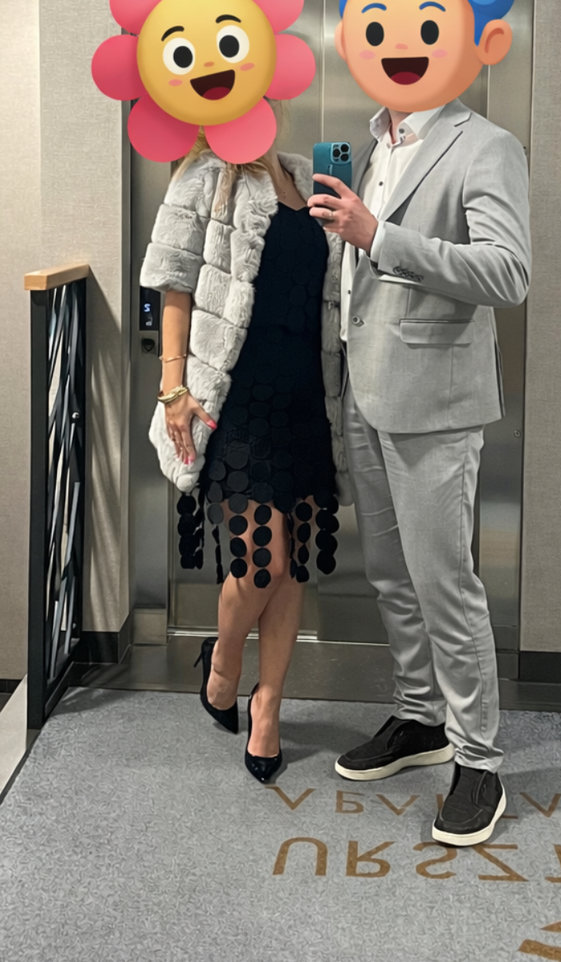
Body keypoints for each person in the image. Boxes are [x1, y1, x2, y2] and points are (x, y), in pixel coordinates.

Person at [309, 0, 531, 846]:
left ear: (474, 39)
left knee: (446, 582)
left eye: (425, 26)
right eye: (380, 25)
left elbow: (508, 273)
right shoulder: (374, 143)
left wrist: (379, 236)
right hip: (363, 390)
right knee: (390, 574)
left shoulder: (485, 145)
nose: (400, 43)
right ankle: (419, 716)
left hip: (435, 404)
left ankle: (479, 757)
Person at [140, 106, 347, 783]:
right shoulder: (205, 175)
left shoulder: (305, 176)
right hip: (235, 401)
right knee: (262, 562)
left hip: (306, 400)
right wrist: (173, 387)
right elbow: (173, 284)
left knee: (292, 568)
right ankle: (224, 661)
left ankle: (269, 704)